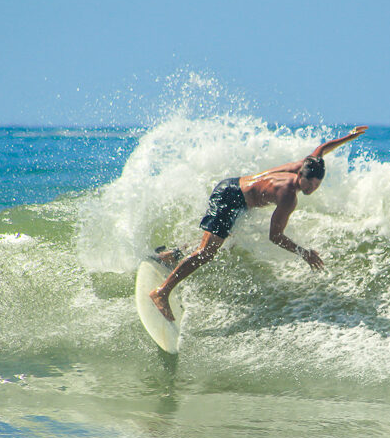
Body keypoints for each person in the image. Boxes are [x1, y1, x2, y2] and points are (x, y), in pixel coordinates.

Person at [150, 126, 368, 321]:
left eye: (316, 186)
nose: (311, 190)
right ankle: (161, 292)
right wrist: (303, 252)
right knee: (207, 252)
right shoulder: (288, 196)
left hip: (234, 187)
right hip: (231, 198)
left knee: (221, 241)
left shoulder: (306, 164)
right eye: (308, 184)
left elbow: (321, 150)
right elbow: (275, 236)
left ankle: (171, 256)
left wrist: (348, 137)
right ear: (301, 175)